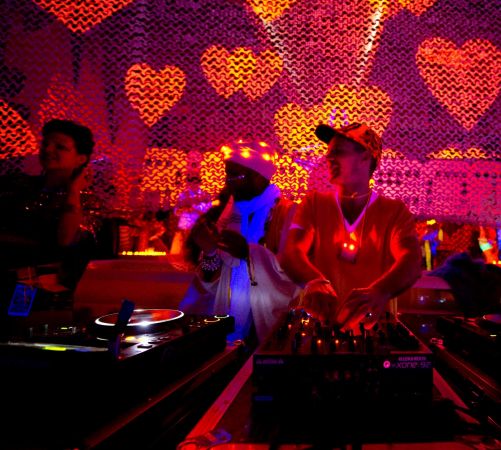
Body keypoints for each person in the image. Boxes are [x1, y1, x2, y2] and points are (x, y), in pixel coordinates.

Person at [279, 123, 422, 331]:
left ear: (365, 157)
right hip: (318, 324)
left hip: (371, 327)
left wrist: (380, 291)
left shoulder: (394, 211)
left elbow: (411, 260)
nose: (328, 158)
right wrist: (314, 282)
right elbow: (292, 251)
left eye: (337, 152)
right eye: (329, 152)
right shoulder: (314, 203)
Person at [179, 140, 300, 345]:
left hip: (266, 325)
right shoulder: (226, 214)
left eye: (236, 175)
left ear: (259, 176)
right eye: (227, 174)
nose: (229, 182)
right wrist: (209, 251)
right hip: (225, 323)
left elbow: (295, 276)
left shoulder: (289, 213)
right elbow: (211, 284)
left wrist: (248, 253)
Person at [0, 118, 95, 290]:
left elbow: (64, 240)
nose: (48, 150)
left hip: (43, 288)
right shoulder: (18, 185)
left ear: (80, 159)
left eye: (60, 147)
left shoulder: (85, 201)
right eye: (45, 144)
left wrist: (73, 192)